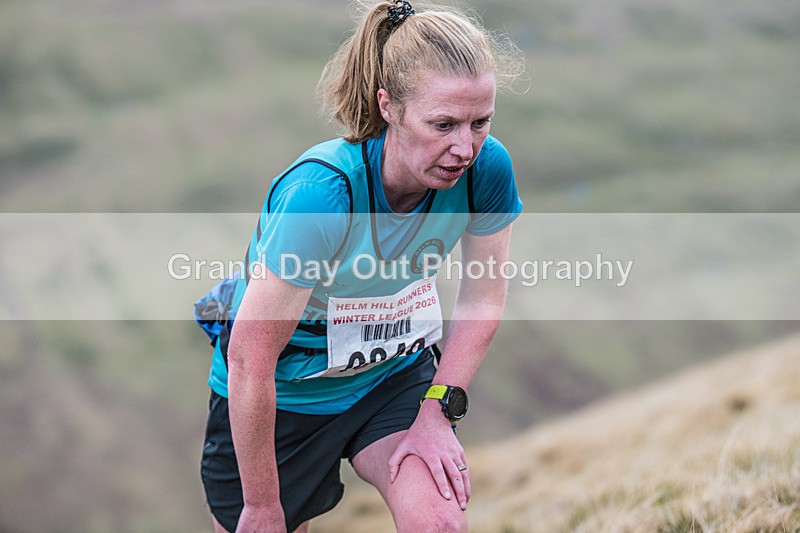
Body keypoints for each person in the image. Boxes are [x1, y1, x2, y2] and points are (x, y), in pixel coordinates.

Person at [199, 1, 525, 531]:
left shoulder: (487, 168)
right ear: (388, 106)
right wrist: (260, 505)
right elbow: (250, 358)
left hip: (390, 377)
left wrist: (436, 411)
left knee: (440, 524)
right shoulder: (322, 195)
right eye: (443, 124)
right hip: (284, 394)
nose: (464, 147)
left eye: (480, 123)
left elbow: (483, 298)